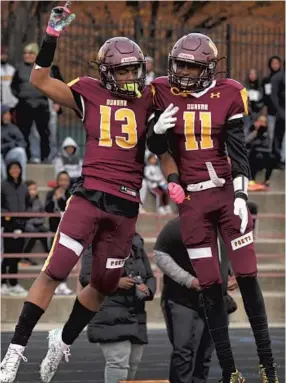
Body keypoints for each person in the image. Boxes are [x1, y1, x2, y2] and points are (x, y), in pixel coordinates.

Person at [0, 3, 160, 383]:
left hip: (125, 206)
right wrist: (51, 35)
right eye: (121, 70)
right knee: (55, 269)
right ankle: (15, 352)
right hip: (90, 195)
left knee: (103, 284)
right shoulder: (88, 91)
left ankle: (63, 338)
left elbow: (189, 98)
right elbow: (39, 80)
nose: (129, 76)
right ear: (106, 72)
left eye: (133, 69)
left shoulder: (150, 96)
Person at [147, 33, 278, 383]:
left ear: (208, 68)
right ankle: (230, 370)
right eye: (181, 64)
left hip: (223, 194)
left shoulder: (229, 94)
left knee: (247, 274)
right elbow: (157, 146)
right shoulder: (162, 90)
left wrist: (238, 196)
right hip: (192, 201)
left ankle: (268, 364)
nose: (185, 72)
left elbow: (238, 152)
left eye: (193, 65)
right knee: (210, 284)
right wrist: (155, 131)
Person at [153, 217, 239, 383]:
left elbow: (221, 254)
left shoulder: (222, 226)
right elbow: (159, 254)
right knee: (184, 353)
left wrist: (228, 274)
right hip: (183, 300)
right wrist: (188, 280)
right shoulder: (178, 225)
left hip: (215, 302)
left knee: (205, 356)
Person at [79, 233, 156, 383]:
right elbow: (86, 277)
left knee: (133, 363)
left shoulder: (136, 241)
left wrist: (148, 289)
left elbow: (149, 275)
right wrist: (116, 283)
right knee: (118, 363)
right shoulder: (97, 241)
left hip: (136, 311)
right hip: (109, 310)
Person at [10, 42, 51, 162]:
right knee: (24, 133)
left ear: (37, 54)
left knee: (44, 133)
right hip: (24, 106)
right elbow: (14, 86)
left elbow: (53, 84)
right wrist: (21, 96)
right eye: (25, 53)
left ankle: (45, 157)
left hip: (41, 105)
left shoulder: (45, 68)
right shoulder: (19, 68)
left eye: (30, 53)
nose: (27, 55)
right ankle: (26, 157)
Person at [1, 161, 28, 296]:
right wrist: (7, 216)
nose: (15, 170)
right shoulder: (3, 185)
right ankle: (3, 283)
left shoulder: (23, 187)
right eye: (12, 168)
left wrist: (25, 219)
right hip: (8, 225)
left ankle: (13, 283)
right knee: (8, 254)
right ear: (8, 170)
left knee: (16, 256)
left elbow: (28, 204)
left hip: (21, 226)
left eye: (17, 168)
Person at [45, 171, 73, 296]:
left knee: (65, 260)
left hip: (68, 232)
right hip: (54, 231)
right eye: (61, 180)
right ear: (57, 181)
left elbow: (71, 209)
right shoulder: (51, 193)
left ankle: (63, 284)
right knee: (53, 260)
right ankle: (53, 285)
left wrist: (63, 199)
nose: (63, 183)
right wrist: (55, 199)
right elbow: (47, 209)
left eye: (66, 180)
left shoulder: (72, 194)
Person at [246, 115, 275, 191]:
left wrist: (265, 134)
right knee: (254, 156)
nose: (262, 124)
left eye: (264, 122)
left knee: (271, 158)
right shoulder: (250, 129)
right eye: (260, 121)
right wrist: (255, 132)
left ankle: (266, 180)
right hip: (249, 153)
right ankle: (251, 179)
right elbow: (245, 141)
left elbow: (269, 146)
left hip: (261, 153)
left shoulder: (267, 132)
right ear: (256, 122)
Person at [23, 180, 49, 258]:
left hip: (37, 224)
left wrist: (35, 221)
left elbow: (42, 216)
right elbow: (24, 217)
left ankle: (47, 253)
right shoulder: (23, 202)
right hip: (26, 225)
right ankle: (25, 256)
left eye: (34, 189)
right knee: (34, 232)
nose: (33, 192)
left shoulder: (39, 201)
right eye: (30, 189)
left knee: (43, 230)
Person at [1, 104, 27, 180]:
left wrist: (11, 145)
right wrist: (10, 144)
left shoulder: (12, 127)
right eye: (5, 114)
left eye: (8, 114)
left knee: (20, 151)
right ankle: (5, 181)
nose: (8, 116)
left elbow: (22, 142)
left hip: (8, 154)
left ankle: (22, 179)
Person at [261, 56, 282, 151]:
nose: (275, 65)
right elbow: (265, 96)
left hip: (282, 111)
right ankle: (271, 153)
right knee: (271, 134)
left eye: (277, 63)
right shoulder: (267, 80)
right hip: (271, 111)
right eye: (273, 63)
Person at [271, 66, 285, 168]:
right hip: (282, 112)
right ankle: (278, 160)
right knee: (279, 137)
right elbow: (274, 96)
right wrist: (280, 111)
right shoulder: (278, 77)